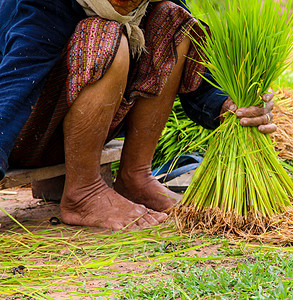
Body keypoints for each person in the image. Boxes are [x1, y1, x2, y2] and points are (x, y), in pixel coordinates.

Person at [0, 0, 277, 230]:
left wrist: (230, 106)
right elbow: (12, 94)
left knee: (172, 20)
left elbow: (200, 84)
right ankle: (83, 192)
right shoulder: (40, 6)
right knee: (105, 36)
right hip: (23, 133)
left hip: (83, 129)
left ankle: (135, 175)